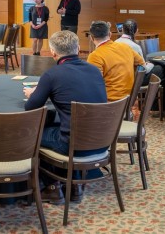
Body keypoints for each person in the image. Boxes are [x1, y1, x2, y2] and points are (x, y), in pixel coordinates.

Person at [23, 30, 108, 205]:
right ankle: (75, 185)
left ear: (53, 53)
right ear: (78, 48)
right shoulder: (94, 71)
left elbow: (31, 107)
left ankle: (52, 187)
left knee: (33, 134)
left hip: (72, 145)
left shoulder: (52, 75)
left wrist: (34, 93)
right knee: (65, 126)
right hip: (102, 141)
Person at [86, 20, 146, 102]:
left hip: (108, 103)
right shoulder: (126, 47)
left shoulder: (94, 56)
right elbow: (142, 65)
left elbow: (93, 85)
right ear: (110, 34)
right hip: (128, 100)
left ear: (91, 38)